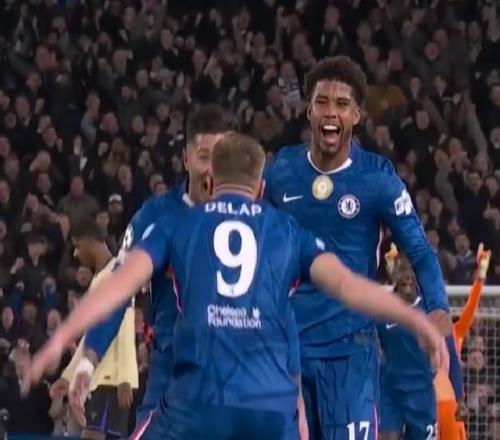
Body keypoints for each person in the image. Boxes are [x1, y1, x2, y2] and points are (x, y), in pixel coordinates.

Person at [26, 132, 447, 440]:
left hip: (199, 401)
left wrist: (66, 339)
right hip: (269, 408)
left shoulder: (178, 224)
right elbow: (348, 286)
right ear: (261, 187)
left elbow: (120, 286)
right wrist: (416, 319)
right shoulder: (286, 231)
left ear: (211, 182)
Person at [264, 55, 457, 439]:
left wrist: (437, 306)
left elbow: (420, 250)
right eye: (322, 102)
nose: (330, 112)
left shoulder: (377, 179)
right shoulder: (282, 171)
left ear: (356, 115)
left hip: (350, 351)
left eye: (341, 104)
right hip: (289, 351)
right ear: (308, 111)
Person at [64, 104, 237, 431]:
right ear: (186, 159)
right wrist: (89, 360)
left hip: (235, 386)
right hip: (171, 383)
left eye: (223, 157)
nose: (213, 170)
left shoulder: (256, 218)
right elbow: (118, 292)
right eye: (204, 157)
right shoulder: (156, 217)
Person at [50, 219, 138, 439]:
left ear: (89, 241)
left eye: (77, 246)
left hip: (111, 379)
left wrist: (125, 377)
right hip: (98, 378)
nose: (76, 253)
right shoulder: (100, 279)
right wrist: (68, 376)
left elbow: (124, 324)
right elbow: (90, 338)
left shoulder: (116, 273)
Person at [377, 244, 453, 440]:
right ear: (392, 273)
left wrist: (459, 395)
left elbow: (450, 349)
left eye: (411, 269)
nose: (407, 275)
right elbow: (371, 344)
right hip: (391, 390)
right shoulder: (382, 307)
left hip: (422, 392)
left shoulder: (431, 306)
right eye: (401, 269)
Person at [434, 243, 491, 440]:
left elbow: (471, 306)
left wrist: (482, 270)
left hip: (449, 404)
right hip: (425, 404)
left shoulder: (455, 332)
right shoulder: (418, 330)